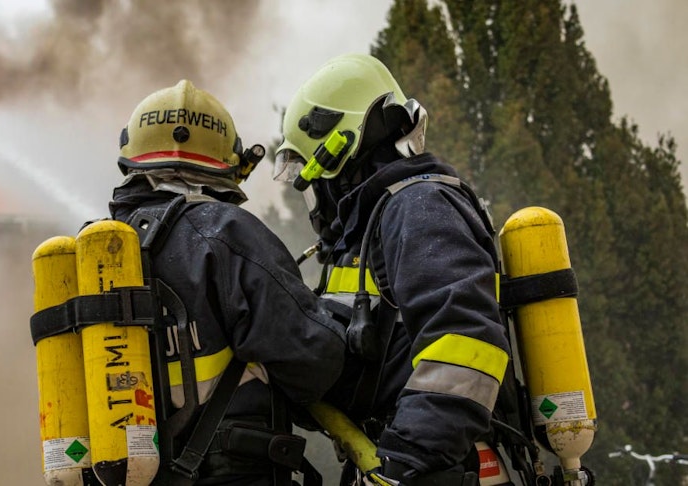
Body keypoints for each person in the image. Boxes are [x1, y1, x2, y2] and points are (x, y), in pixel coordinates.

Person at [273, 53, 511, 486]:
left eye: (310, 178)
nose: (314, 200)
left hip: (437, 468)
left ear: (336, 153)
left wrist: (407, 458)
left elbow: (465, 346)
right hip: (395, 460)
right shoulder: (372, 227)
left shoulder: (419, 206)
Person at [109, 79, 347, 485]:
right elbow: (312, 359)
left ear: (133, 158)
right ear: (227, 162)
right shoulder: (227, 232)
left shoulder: (100, 252)